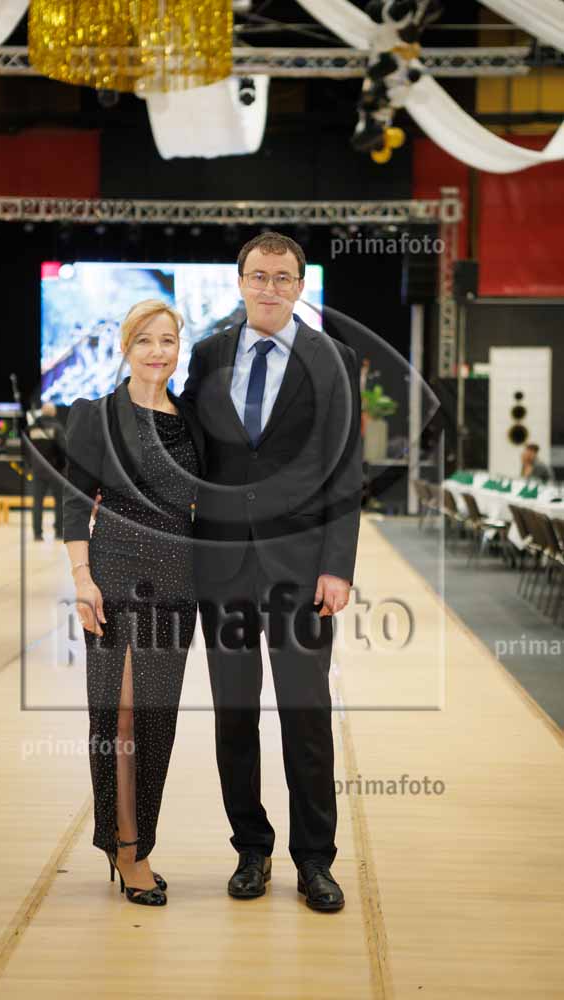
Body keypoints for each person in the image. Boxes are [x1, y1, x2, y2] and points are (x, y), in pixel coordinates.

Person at [181, 231, 363, 913]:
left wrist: (337, 566)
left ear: (299, 286)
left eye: (282, 277)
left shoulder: (333, 358)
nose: (269, 287)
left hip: (301, 568)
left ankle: (314, 860)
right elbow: (188, 447)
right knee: (234, 716)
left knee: (305, 718)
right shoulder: (208, 355)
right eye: (258, 275)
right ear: (239, 282)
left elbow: (345, 467)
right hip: (222, 564)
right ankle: (250, 850)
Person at [63, 299, 205, 907]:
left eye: (167, 340)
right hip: (116, 571)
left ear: (179, 350)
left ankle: (139, 835)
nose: (156, 351)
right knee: (119, 717)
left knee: (155, 720)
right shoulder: (95, 416)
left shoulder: (194, 420)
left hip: (177, 580)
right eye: (144, 340)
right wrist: (82, 578)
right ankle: (128, 851)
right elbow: (75, 504)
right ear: (125, 347)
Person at [26, 401, 66, 540]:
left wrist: (31, 466)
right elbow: (63, 450)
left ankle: (37, 533)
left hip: (38, 471)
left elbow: (26, 451)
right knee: (59, 502)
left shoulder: (32, 428)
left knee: (37, 503)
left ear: (42, 412)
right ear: (54, 413)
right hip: (56, 472)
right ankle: (59, 532)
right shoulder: (57, 428)